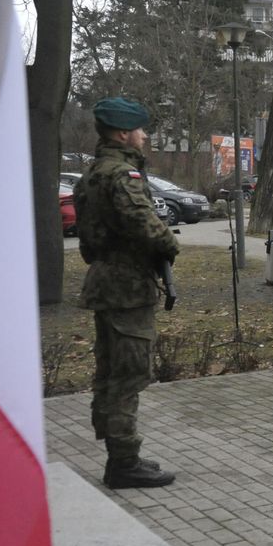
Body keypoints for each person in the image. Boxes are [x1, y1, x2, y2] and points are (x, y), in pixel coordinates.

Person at [74, 97, 180, 490]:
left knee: (110, 370)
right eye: (140, 129)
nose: (145, 136)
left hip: (104, 281)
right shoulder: (122, 175)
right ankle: (123, 462)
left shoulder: (91, 174)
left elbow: (88, 238)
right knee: (129, 374)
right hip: (127, 287)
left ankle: (120, 453)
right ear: (123, 134)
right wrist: (170, 243)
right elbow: (146, 225)